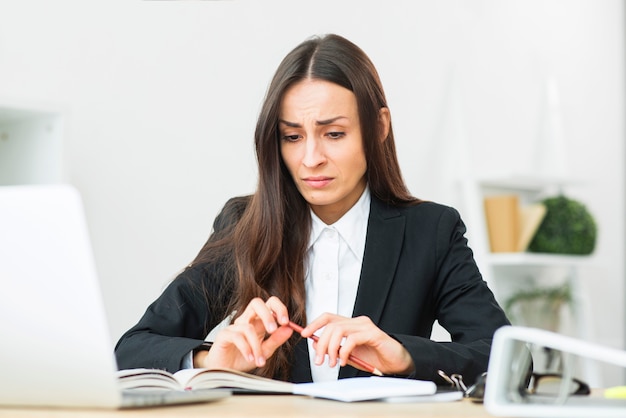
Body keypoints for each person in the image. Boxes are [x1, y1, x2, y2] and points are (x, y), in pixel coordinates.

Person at [114, 33, 510, 386]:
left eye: (333, 134)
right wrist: (211, 361)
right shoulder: (245, 226)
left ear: (379, 127)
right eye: (292, 136)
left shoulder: (431, 231)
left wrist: (404, 356)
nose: (310, 158)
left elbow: (509, 358)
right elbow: (131, 349)